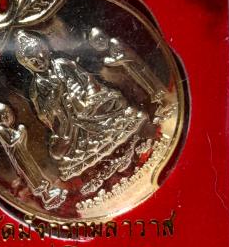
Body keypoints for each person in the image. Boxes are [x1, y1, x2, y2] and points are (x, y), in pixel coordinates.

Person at [14, 30, 147, 180]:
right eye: (33, 61)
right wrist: (55, 97)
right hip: (69, 122)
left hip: (88, 104)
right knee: (57, 152)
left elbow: (88, 79)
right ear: (28, 66)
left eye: (39, 56)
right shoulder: (37, 86)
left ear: (44, 50)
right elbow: (43, 113)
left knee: (115, 100)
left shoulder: (63, 64)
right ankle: (96, 138)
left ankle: (107, 128)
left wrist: (88, 93)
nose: (39, 62)